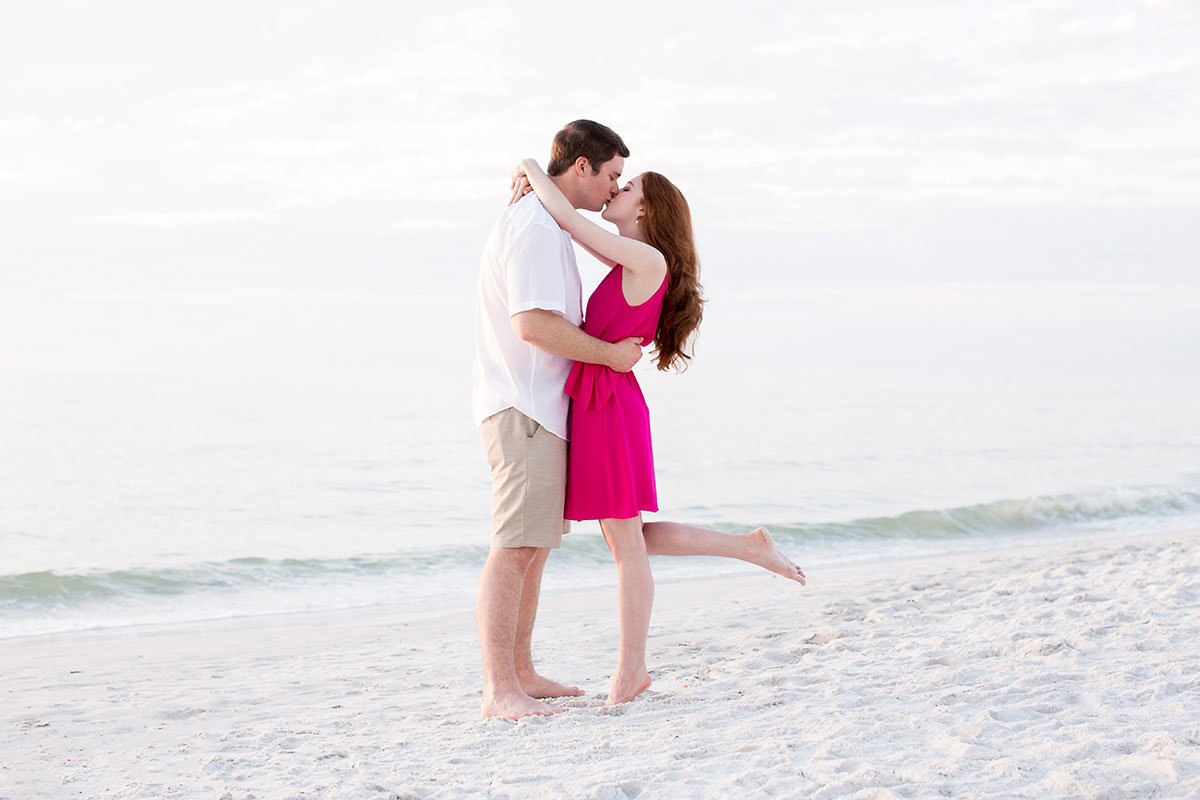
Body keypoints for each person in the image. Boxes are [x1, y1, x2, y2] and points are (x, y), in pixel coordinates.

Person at [510, 158, 807, 706]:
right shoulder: (633, 257)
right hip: (602, 402)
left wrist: (532, 166)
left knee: (627, 546)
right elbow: (576, 231)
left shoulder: (647, 258)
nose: (613, 190)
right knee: (629, 539)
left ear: (643, 208)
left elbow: (571, 224)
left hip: (609, 406)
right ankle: (747, 547)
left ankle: (631, 671)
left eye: (625, 187)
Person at [472, 120, 644, 720]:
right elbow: (532, 324)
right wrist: (612, 356)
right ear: (581, 168)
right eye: (612, 176)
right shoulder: (537, 228)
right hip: (523, 406)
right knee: (516, 547)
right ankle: (500, 690)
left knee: (535, 548)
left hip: (541, 407)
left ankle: (521, 671)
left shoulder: (548, 223)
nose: (611, 190)